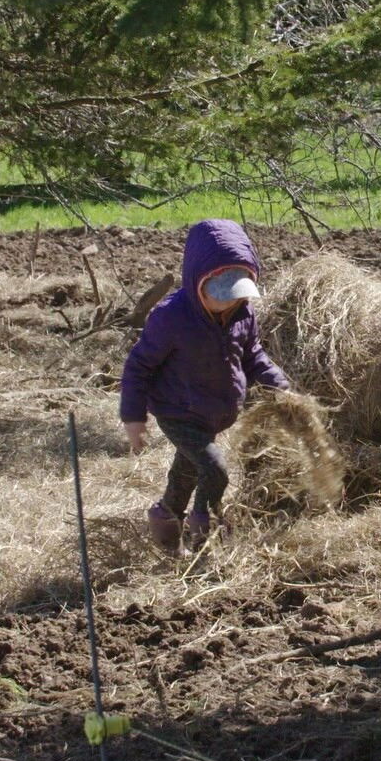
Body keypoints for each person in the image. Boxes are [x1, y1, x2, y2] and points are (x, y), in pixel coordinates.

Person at [121, 219, 291, 551]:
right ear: (200, 282)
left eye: (237, 294)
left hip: (214, 411)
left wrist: (279, 385)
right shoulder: (171, 317)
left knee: (186, 474)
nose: (229, 302)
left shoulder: (243, 314)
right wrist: (133, 418)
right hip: (178, 410)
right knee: (215, 469)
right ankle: (203, 529)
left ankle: (166, 522)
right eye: (222, 295)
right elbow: (139, 366)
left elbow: (253, 355)